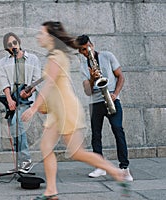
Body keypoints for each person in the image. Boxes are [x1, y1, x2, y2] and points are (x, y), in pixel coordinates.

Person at [21, 21, 127, 200]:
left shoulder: (56, 56)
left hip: (66, 110)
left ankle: (116, 172)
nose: (38, 36)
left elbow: (49, 85)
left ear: (51, 37)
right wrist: (46, 106)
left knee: (77, 152)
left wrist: (33, 107)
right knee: (46, 147)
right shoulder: (55, 55)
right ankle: (51, 192)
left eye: (42, 33)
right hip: (57, 111)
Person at [75, 35, 133, 181]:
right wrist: (92, 78)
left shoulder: (107, 56)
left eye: (87, 47)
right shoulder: (83, 66)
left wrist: (115, 94)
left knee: (118, 130)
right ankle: (100, 167)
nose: (86, 51)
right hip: (95, 102)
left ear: (92, 45)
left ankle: (124, 168)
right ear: (80, 52)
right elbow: (87, 91)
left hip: (112, 99)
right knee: (96, 134)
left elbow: (120, 76)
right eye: (82, 50)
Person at [0, 32, 42, 173]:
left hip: (27, 100)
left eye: (14, 43)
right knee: (14, 130)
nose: (13, 46)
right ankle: (19, 164)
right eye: (9, 45)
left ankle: (26, 160)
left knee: (17, 122)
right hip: (13, 100)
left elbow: (37, 79)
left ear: (19, 42)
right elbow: (4, 82)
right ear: (7, 47)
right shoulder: (4, 62)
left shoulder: (32, 59)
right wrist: (10, 100)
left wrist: (29, 91)